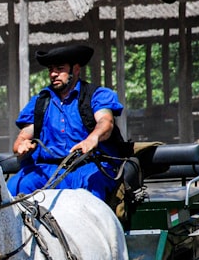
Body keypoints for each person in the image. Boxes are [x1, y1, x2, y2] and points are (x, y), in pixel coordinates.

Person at [7, 43, 125, 202]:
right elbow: (23, 137)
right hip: (47, 170)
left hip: (88, 167)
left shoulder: (97, 95)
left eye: (60, 69)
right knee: (15, 186)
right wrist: (21, 145)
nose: (53, 74)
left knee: (93, 188)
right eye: (50, 70)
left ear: (76, 69)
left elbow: (106, 122)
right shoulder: (40, 102)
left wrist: (92, 139)